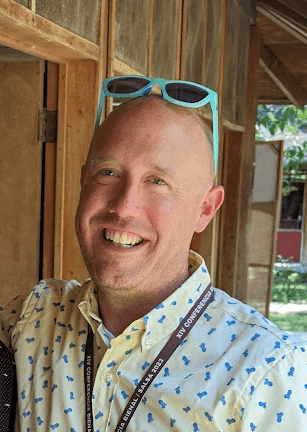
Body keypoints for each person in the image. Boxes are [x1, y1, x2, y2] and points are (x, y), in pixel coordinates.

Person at [1, 76, 307, 432]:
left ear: (205, 209)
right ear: (84, 181)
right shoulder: (34, 316)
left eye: (157, 181)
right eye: (108, 173)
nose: (124, 206)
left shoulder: (264, 372)